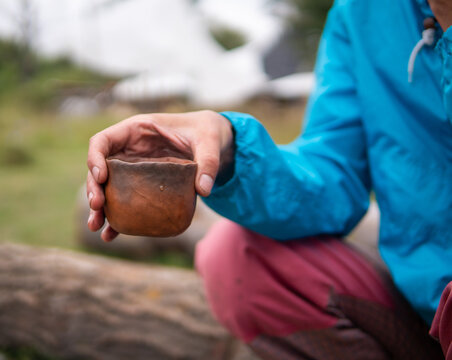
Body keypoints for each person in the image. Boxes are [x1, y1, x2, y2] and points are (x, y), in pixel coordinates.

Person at [86, 0, 452, 358]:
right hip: (428, 310)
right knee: (237, 255)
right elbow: (331, 176)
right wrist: (227, 147)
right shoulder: (362, 13)